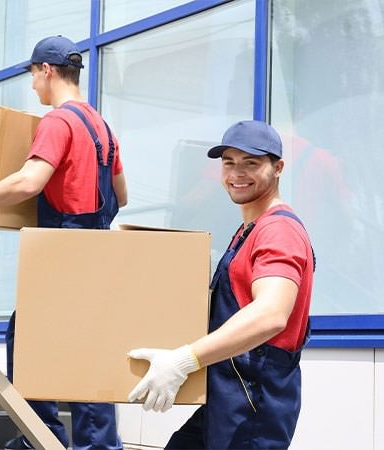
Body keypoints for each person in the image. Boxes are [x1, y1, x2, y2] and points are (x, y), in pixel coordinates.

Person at [0, 36, 127, 450]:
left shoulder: (59, 122)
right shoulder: (101, 126)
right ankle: (98, 445)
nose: (33, 86)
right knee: (86, 347)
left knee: (30, 341)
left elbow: (29, 181)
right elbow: (121, 196)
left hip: (63, 252)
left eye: (33, 76)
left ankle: (41, 438)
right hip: (98, 252)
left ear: (47, 71)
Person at [128, 120, 314, 449]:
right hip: (227, 397)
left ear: (279, 167)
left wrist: (184, 360)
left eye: (251, 163)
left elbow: (271, 313)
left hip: (252, 406)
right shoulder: (249, 230)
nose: (236, 173)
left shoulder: (278, 231)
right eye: (229, 162)